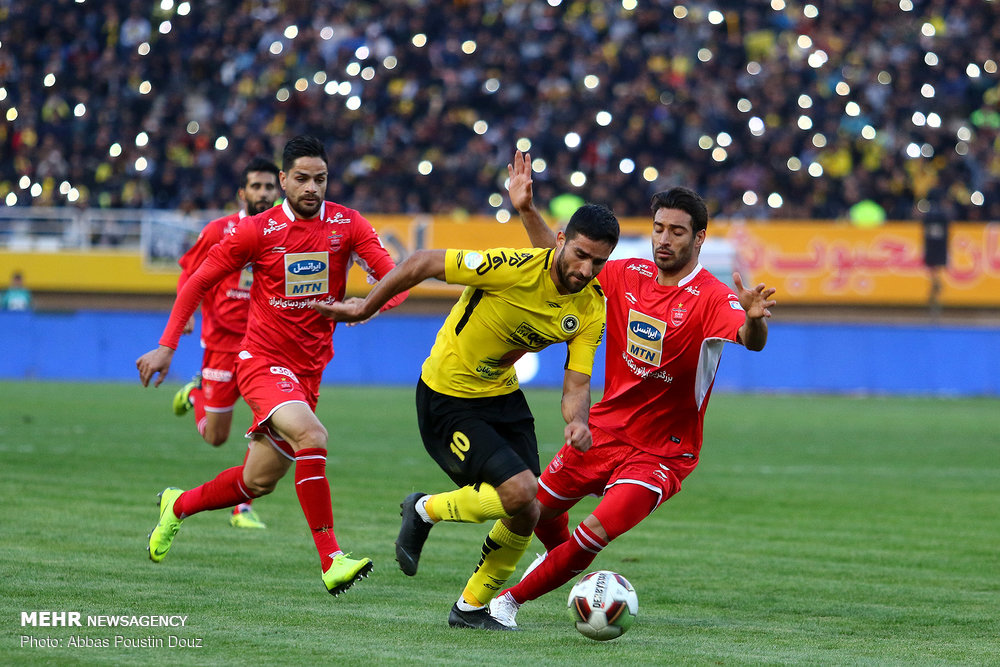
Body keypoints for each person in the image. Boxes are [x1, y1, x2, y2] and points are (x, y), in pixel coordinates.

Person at [487, 151, 776, 628]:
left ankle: (506, 603)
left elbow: (751, 341)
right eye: (659, 227)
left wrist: (753, 319)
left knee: (592, 533)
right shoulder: (627, 276)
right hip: (602, 431)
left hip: (661, 454)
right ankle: (563, 567)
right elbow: (566, 264)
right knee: (533, 509)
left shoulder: (712, 297)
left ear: (700, 237)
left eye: (677, 231)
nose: (664, 239)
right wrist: (525, 211)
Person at [313, 201, 620, 629]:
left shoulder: (591, 308)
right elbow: (421, 262)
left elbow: (577, 386)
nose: (587, 270)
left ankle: (471, 607)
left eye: (599, 262)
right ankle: (423, 509)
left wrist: (578, 420)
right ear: (561, 241)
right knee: (520, 490)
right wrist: (365, 308)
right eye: (581, 255)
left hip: (502, 397)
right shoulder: (511, 267)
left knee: (528, 510)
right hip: (447, 395)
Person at [136, 135, 407, 596]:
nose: (311, 188)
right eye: (301, 178)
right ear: (283, 180)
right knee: (312, 436)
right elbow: (198, 279)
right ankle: (332, 560)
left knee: (255, 482)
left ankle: (177, 505)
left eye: (320, 179)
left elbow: (395, 281)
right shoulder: (256, 231)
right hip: (261, 361)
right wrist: (167, 345)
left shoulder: (348, 224)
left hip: (308, 372)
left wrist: (365, 307)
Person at [171, 156, 280, 530]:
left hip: (264, 346)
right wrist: (182, 317)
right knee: (216, 438)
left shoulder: (282, 232)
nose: (263, 194)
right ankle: (195, 395)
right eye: (257, 186)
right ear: (242, 192)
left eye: (269, 187)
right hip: (220, 343)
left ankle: (242, 507)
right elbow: (190, 272)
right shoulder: (219, 231)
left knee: (265, 423)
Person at [922, 189, 951, 320]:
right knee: (935, 272)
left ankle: (935, 301)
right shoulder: (943, 216)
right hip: (938, 248)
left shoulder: (930, 216)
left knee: (934, 272)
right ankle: (934, 301)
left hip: (933, 248)